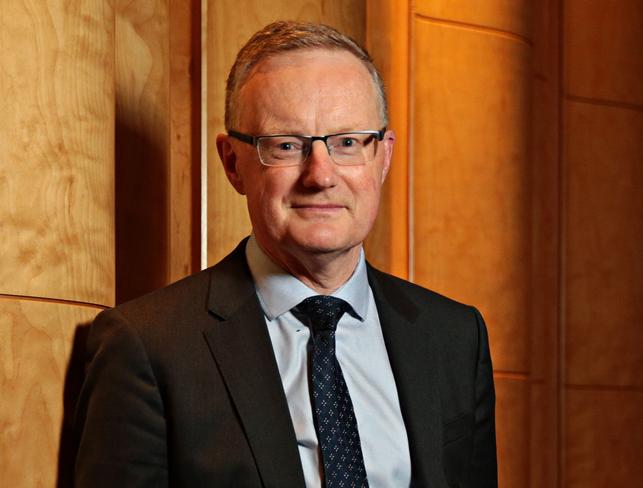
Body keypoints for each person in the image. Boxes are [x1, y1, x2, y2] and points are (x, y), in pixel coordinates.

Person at [74, 21, 497, 488]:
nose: (320, 175)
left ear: (384, 157)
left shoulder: (455, 338)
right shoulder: (148, 346)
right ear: (234, 164)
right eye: (287, 146)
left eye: (348, 143)